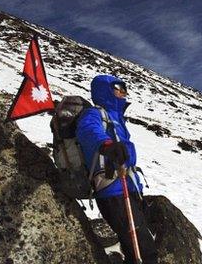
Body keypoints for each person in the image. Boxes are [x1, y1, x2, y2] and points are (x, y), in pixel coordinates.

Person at [76, 74, 157, 264]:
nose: (123, 92)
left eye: (124, 88)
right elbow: (88, 131)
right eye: (118, 87)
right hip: (114, 191)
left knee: (136, 247)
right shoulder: (95, 113)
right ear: (106, 90)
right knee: (144, 253)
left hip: (128, 188)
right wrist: (106, 145)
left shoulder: (117, 118)